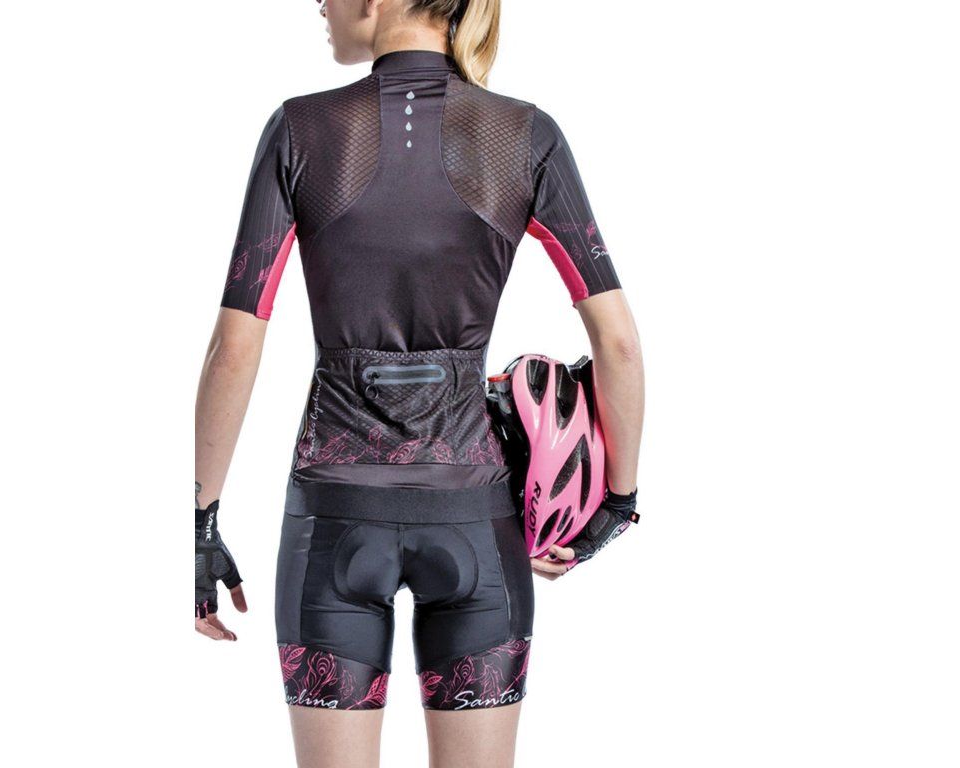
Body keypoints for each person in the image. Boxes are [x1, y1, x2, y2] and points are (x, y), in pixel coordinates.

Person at [194, 1, 644, 766]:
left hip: (332, 513)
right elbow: (620, 346)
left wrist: (200, 520)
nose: (320, 3)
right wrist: (618, 503)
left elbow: (235, 348)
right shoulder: (524, 136)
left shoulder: (300, 131)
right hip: (475, 519)